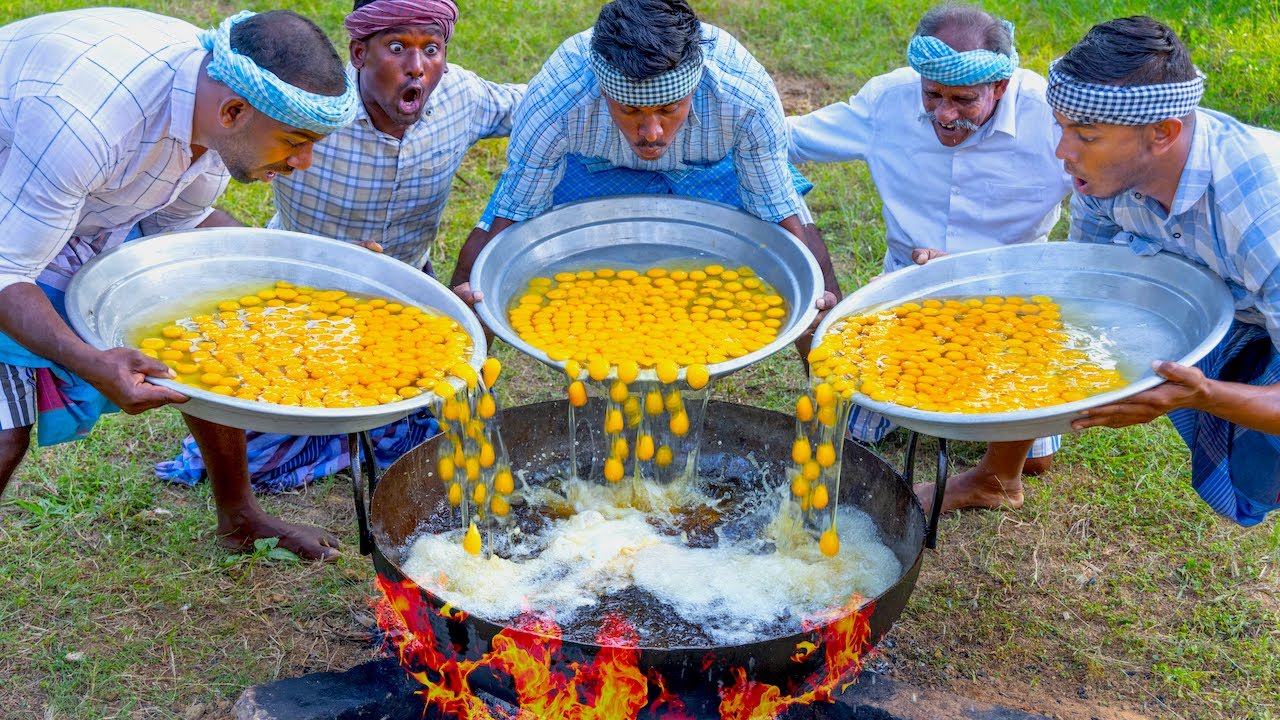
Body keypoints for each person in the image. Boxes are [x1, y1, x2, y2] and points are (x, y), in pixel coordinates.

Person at [0, 8, 360, 559]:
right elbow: (6, 272)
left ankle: (241, 518)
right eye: (296, 141)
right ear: (235, 111)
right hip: (17, 184)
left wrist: (304, 267)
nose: (305, 161)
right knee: (4, 434)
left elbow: (186, 229)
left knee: (202, 316)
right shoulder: (88, 123)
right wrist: (92, 361)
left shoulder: (212, 111)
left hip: (65, 193)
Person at [157, 0, 526, 493]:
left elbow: (538, 104)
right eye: (397, 48)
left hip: (408, 298)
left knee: (453, 424)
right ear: (358, 53)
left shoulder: (464, 97)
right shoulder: (310, 110)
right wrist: (329, 259)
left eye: (431, 49)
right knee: (266, 445)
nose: (417, 66)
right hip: (301, 298)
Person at [787, 4, 1073, 506]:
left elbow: (1105, 212)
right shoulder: (888, 100)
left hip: (1015, 293)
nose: (943, 114)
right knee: (853, 431)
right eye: (932, 95)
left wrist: (979, 273)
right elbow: (786, 140)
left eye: (963, 100)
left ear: (1000, 88)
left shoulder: (1051, 117)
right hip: (906, 290)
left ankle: (996, 480)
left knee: (1036, 457)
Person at [449, 0, 841, 328]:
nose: (651, 132)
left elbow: (772, 203)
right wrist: (482, 287)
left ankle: (837, 406)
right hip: (590, 167)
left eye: (670, 110)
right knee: (474, 273)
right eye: (631, 110)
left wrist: (809, 287)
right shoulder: (557, 102)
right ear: (603, 90)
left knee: (816, 271)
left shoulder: (743, 99)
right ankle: (454, 397)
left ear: (694, 87)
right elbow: (517, 209)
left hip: (711, 167)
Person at [1045, 16, 1280, 527]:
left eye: (1086, 135)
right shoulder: (1099, 180)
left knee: (1264, 451)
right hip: (1245, 305)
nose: (1063, 153)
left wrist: (1210, 395)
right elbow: (1090, 286)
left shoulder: (1263, 220)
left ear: (1162, 133)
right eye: (1062, 128)